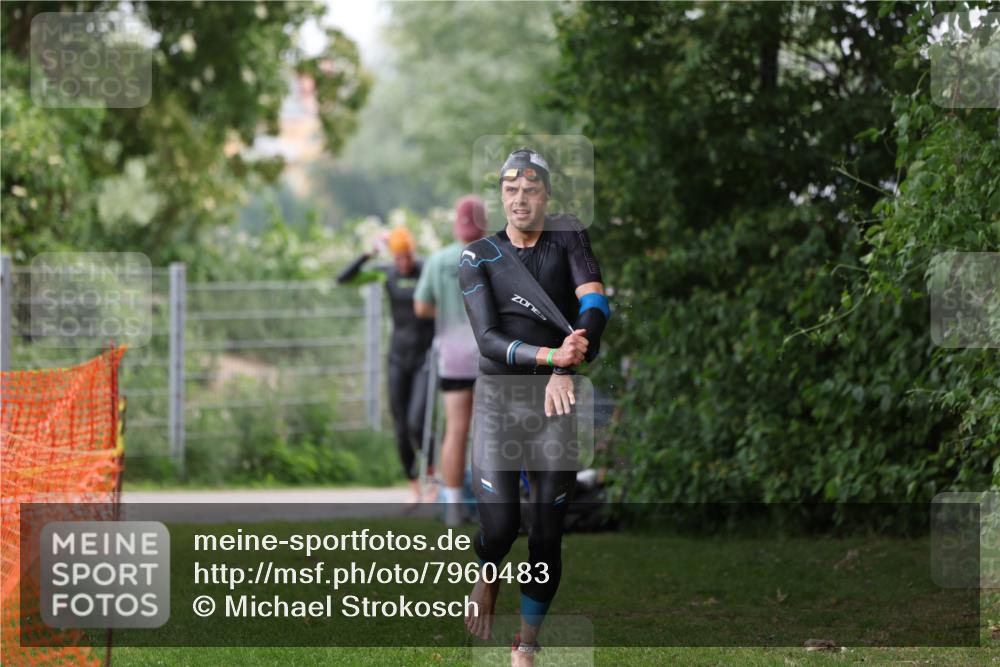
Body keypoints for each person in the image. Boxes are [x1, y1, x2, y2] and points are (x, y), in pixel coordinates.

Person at [459, 148, 610, 665]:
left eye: (530, 190)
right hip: (499, 402)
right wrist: (552, 356)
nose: (519, 199)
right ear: (500, 195)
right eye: (510, 190)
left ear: (546, 195)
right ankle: (488, 570)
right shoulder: (477, 256)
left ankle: (525, 644)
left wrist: (565, 366)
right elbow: (487, 340)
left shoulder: (568, 237)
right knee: (501, 528)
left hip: (556, 398)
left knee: (546, 531)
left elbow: (595, 303)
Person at [337, 226, 435, 504]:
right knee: (401, 427)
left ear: (413, 252)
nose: (404, 262)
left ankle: (432, 476)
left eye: (408, 256)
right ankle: (413, 484)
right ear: (393, 256)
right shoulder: (386, 273)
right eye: (399, 257)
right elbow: (343, 278)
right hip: (397, 358)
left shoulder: (427, 269)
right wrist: (370, 252)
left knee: (417, 422)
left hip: (425, 357)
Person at [414, 195, 487, 527]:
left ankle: (454, 506)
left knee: (455, 431)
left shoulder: (439, 259)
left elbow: (421, 307)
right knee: (491, 432)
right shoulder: (496, 255)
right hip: (490, 355)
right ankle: (493, 505)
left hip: (453, 357)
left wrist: (446, 310)